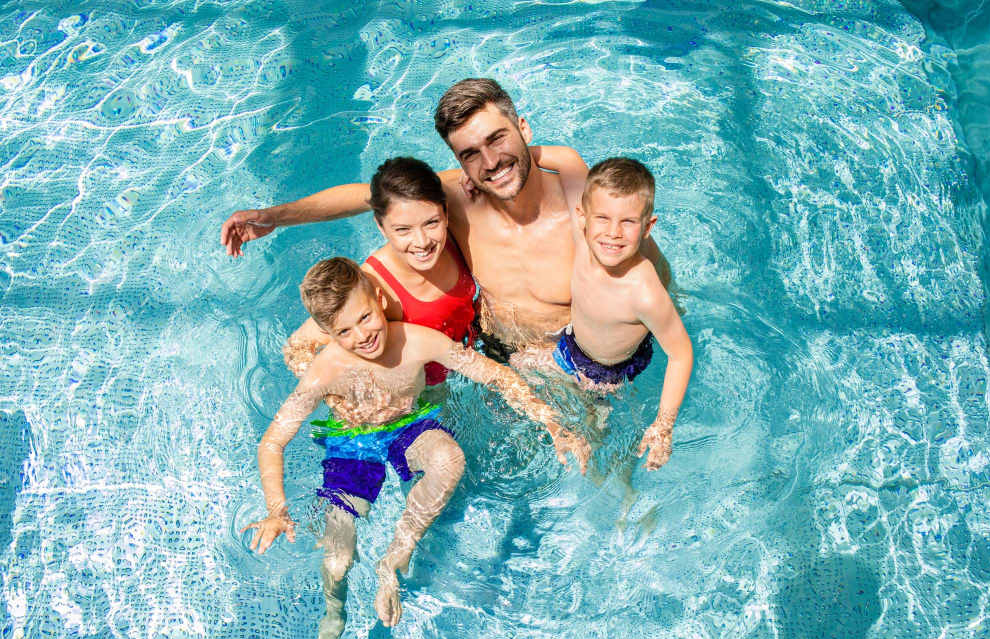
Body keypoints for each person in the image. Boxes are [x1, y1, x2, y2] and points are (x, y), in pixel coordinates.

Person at [242, 258, 589, 639]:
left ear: (380, 298)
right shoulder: (324, 371)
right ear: (328, 334)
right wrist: (276, 511)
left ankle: (395, 555)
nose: (362, 336)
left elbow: (493, 374)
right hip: (353, 444)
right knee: (337, 562)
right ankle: (331, 629)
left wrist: (551, 421)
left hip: (407, 425)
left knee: (449, 458)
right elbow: (273, 442)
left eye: (365, 318)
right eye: (343, 332)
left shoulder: (417, 342)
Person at [220, 78, 671, 360]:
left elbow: (646, 266)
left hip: (582, 359)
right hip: (494, 355)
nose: (491, 162)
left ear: (525, 131)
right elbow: (368, 195)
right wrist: (273, 217)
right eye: (470, 154)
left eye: (498, 139)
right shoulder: (455, 198)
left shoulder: (579, 199)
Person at [513, 158, 693, 471]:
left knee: (594, 444)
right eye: (604, 218)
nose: (613, 233)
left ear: (648, 227)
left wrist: (663, 427)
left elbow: (681, 355)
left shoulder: (643, 291)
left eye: (628, 222)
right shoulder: (583, 242)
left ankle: (619, 489)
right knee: (514, 366)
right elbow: (567, 166)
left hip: (606, 376)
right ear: (582, 217)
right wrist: (506, 162)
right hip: (569, 348)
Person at [283, 157, 477, 390]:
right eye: (403, 230)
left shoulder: (454, 238)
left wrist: (534, 155)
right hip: (424, 392)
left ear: (445, 213)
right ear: (380, 226)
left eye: (431, 223)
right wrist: (338, 392)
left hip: (471, 356)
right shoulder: (374, 285)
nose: (422, 241)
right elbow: (297, 347)